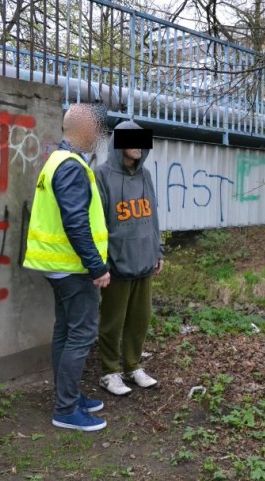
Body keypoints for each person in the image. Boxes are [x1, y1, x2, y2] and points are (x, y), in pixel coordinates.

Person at [23, 103, 111, 432]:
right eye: (97, 131)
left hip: (56, 265)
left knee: (65, 330)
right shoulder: (72, 166)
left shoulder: (57, 160)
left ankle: (68, 395)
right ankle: (66, 408)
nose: (99, 137)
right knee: (82, 334)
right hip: (72, 268)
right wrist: (97, 267)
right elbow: (76, 224)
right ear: (85, 130)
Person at [95, 121, 163, 396]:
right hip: (117, 264)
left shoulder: (146, 175)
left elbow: (152, 216)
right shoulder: (102, 175)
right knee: (113, 321)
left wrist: (158, 250)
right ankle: (109, 372)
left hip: (144, 261)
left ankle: (133, 366)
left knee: (140, 318)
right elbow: (97, 221)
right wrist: (103, 262)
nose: (138, 145)